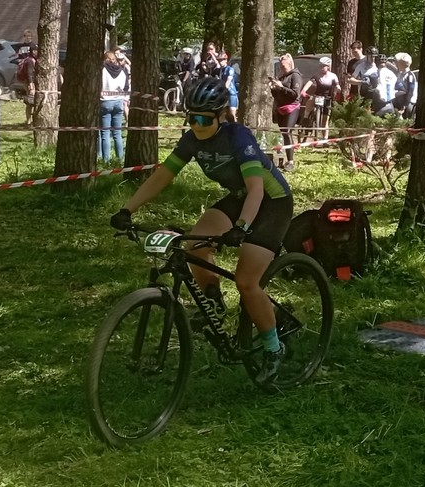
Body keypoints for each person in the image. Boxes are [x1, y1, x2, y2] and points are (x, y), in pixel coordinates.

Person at [109, 78, 295, 378]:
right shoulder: (192, 140)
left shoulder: (238, 137)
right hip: (239, 198)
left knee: (246, 282)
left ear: (221, 115)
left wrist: (242, 226)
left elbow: (256, 189)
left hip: (271, 202)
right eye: (191, 118)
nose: (197, 125)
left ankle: (274, 348)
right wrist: (127, 209)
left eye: (204, 119)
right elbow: (162, 176)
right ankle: (214, 304)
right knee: (194, 246)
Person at [269, 53, 304, 166]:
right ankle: (282, 158)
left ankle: (290, 161)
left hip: (292, 107)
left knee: (287, 132)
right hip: (280, 108)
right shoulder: (281, 77)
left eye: (283, 62)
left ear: (289, 62)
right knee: (283, 133)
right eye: (280, 63)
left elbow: (295, 94)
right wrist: (273, 88)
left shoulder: (295, 76)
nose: (281, 64)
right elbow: (276, 95)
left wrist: (281, 87)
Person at [100, 49, 130, 164]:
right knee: (117, 133)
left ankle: (106, 160)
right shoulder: (122, 71)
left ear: (105, 60)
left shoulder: (102, 70)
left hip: (105, 102)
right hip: (119, 102)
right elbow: (126, 87)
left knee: (105, 133)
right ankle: (120, 158)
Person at [300, 56, 342, 128]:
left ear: (328, 66)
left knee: (325, 120)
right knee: (311, 99)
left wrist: (338, 91)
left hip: (327, 98)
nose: (322, 68)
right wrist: (304, 90)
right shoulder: (316, 75)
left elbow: (337, 85)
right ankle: (306, 116)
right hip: (317, 95)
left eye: (323, 66)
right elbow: (309, 83)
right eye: (320, 66)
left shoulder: (333, 76)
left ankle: (325, 134)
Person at [18, 45, 41, 125]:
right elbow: (29, 73)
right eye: (37, 50)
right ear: (33, 51)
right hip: (29, 83)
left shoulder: (32, 59)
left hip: (30, 83)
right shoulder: (30, 61)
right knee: (30, 102)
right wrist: (31, 84)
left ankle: (30, 120)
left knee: (32, 101)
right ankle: (28, 121)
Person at [390, 53, 417, 120]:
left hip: (408, 103)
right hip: (400, 102)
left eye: (398, 63)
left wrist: (405, 105)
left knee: (407, 120)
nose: (396, 64)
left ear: (403, 64)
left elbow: (410, 91)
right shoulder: (400, 74)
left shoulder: (410, 76)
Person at [371, 50, 396, 114]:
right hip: (390, 103)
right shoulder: (393, 74)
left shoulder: (375, 74)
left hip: (379, 104)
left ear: (376, 64)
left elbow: (372, 87)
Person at [219, 52, 239, 122]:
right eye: (219, 60)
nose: (220, 62)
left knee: (232, 115)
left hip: (231, 94)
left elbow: (229, 80)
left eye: (222, 60)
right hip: (224, 94)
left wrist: (224, 88)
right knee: (223, 114)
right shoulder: (221, 70)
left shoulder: (230, 69)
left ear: (226, 60)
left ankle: (235, 127)